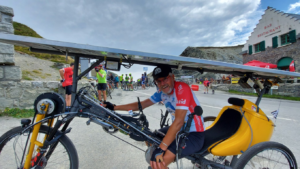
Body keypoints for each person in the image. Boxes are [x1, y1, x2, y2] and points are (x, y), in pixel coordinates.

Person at [104, 65, 205, 169]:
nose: (162, 84)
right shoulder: (161, 93)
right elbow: (141, 105)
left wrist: (161, 148)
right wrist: (114, 107)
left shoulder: (182, 88)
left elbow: (179, 121)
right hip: (179, 131)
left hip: (194, 134)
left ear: (172, 77)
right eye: (158, 81)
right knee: (149, 138)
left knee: (158, 164)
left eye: (165, 79)